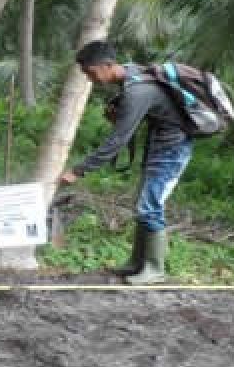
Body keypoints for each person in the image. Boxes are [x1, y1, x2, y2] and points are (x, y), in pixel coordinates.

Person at [60, 40, 192, 285]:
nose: (90, 79)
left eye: (90, 72)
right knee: (143, 204)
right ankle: (137, 263)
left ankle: (155, 269)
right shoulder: (132, 75)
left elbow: (117, 141)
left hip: (172, 150)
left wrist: (78, 171)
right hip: (159, 146)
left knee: (150, 206)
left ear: (107, 65)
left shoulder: (136, 91)